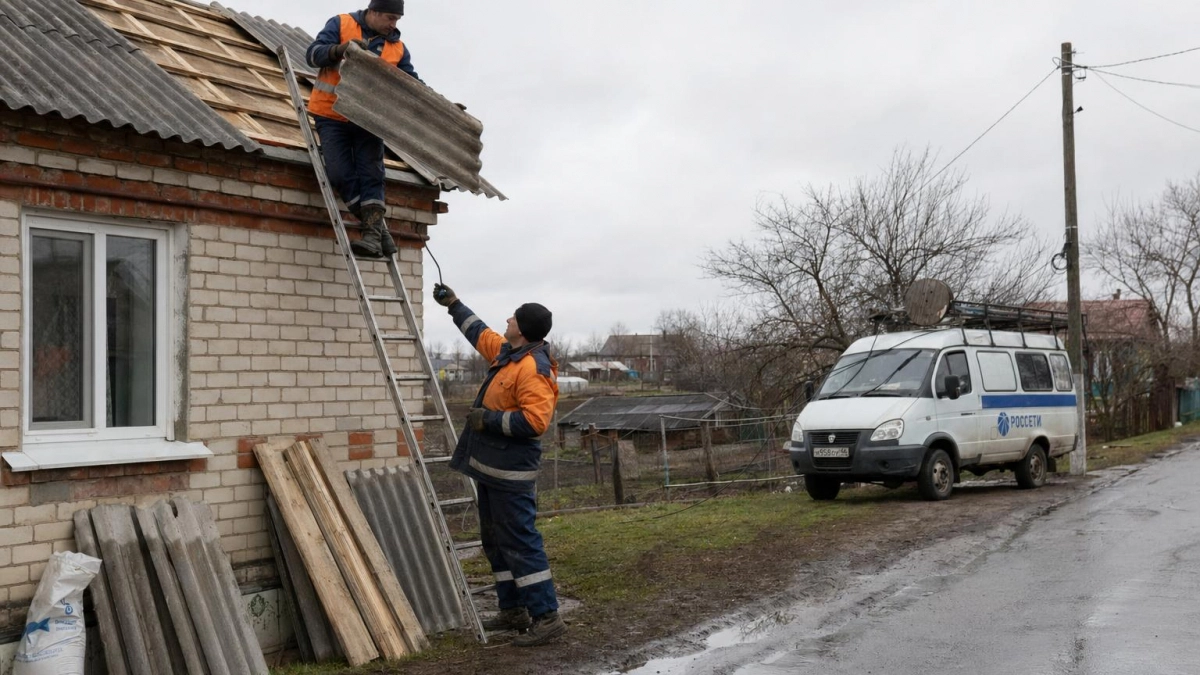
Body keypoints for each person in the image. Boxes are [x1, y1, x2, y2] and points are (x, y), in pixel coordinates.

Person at [432, 282, 567, 647]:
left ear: (522, 329)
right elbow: (480, 333)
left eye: (513, 317)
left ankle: (546, 616)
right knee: (495, 541)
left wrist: (488, 420)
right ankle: (513, 610)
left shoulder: (534, 369)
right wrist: (454, 304)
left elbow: (534, 422)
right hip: (491, 469)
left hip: (510, 473)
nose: (506, 320)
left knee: (520, 542)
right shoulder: (510, 353)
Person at [306, 0, 420, 259]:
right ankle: (378, 229)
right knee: (338, 173)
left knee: (372, 175)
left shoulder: (398, 48)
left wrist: (442, 104)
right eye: (390, 18)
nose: (393, 25)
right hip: (331, 114)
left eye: (397, 20)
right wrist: (340, 49)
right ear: (373, 12)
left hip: (368, 120)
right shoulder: (342, 23)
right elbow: (313, 55)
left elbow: (412, 85)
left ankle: (371, 236)